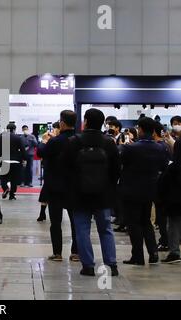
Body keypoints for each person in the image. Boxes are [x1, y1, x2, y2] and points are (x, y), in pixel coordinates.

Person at [63, 108, 120, 276]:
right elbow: (116, 169)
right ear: (102, 123)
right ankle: (111, 265)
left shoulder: (74, 141)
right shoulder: (108, 142)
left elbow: (65, 168)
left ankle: (88, 266)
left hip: (79, 194)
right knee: (105, 229)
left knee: (82, 230)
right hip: (103, 194)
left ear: (85, 121)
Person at [119, 117, 170, 265]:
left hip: (131, 190)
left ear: (140, 129)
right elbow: (163, 167)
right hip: (151, 190)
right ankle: (153, 253)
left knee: (133, 223)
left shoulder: (130, 148)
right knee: (146, 221)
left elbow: (122, 165)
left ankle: (138, 256)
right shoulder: (161, 148)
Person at [37, 111, 79, 262]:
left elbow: (41, 152)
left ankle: (57, 253)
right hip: (74, 187)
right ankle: (76, 252)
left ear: (61, 123)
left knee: (56, 222)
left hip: (55, 187)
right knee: (76, 222)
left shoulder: (55, 141)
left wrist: (44, 140)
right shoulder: (78, 140)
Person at [159, 139, 181, 263]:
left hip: (175, 202)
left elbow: (163, 184)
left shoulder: (173, 167)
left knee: (174, 226)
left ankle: (174, 253)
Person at [153, 121, 172, 252]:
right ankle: (165, 240)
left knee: (161, 216)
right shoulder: (166, 145)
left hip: (160, 184)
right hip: (166, 184)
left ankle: (165, 241)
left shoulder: (159, 146)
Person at [0, 123, 27, 200]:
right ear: (14, 129)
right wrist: (25, 158)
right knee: (14, 179)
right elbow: (23, 150)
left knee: (4, 177)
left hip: (4, 160)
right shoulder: (18, 138)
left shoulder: (1, 137)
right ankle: (12, 194)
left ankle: (5, 188)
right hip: (16, 161)